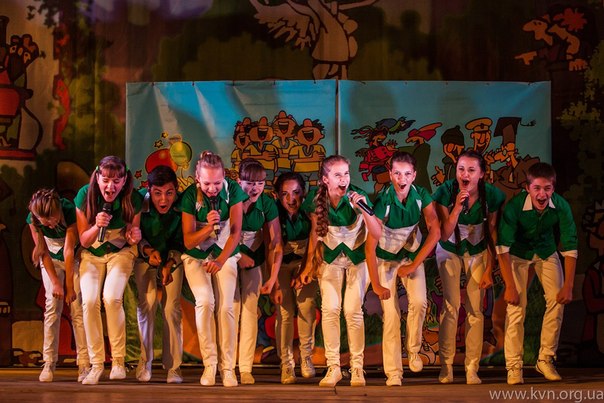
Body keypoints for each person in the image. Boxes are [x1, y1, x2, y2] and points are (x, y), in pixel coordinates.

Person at [299, 155, 382, 387]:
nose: (344, 179)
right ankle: (333, 367)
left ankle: (357, 368)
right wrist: (308, 266)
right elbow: (315, 234)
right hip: (331, 259)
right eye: (337, 175)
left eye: (346, 173)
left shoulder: (358, 197)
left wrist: (363, 209)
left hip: (357, 260)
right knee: (330, 309)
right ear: (326, 179)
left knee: (353, 310)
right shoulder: (316, 200)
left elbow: (376, 232)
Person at [497, 162, 577, 385]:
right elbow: (502, 248)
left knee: (557, 300)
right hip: (518, 253)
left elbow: (570, 246)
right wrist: (510, 286)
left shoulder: (560, 206)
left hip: (545, 251)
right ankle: (514, 366)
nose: (542, 194)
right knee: (516, 308)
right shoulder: (514, 207)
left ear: (553, 188)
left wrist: (568, 285)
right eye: (537, 188)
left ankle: (545, 359)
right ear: (527, 188)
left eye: (547, 189)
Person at [365, 151, 441, 386]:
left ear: (414, 175)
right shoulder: (384, 202)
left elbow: (435, 231)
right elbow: (370, 247)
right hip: (385, 259)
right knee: (391, 315)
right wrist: (376, 284)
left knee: (419, 302)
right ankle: (394, 372)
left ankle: (414, 350)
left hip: (410, 256)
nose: (402, 179)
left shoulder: (421, 196)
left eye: (407, 174)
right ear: (390, 174)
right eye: (397, 173)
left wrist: (413, 265)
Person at [432, 150, 505, 385]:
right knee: (451, 305)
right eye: (461, 169)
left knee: (475, 308)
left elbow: (492, 232)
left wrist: (489, 268)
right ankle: (446, 366)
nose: (465, 174)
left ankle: (472, 368)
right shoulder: (445, 191)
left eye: (471, 170)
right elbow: (444, 232)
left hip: (478, 249)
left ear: (481, 174)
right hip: (449, 247)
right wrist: (456, 206)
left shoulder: (491, 195)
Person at [180, 151, 247, 387]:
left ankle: (228, 368)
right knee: (205, 302)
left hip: (224, 252)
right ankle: (210, 365)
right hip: (197, 255)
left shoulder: (233, 191)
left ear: (224, 177)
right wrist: (209, 227)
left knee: (226, 306)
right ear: (197, 178)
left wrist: (220, 261)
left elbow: (236, 233)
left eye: (217, 183)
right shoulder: (190, 196)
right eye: (207, 183)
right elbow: (188, 241)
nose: (212, 189)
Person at [74, 156, 143, 385]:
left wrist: (134, 235)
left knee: (112, 298)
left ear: (124, 181)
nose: (110, 187)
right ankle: (96, 364)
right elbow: (84, 240)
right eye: (105, 180)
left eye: (116, 181)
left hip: (120, 252)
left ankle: (118, 361)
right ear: (97, 178)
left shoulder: (132, 198)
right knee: (89, 301)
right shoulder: (85, 195)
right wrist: (97, 225)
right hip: (92, 253)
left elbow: (133, 235)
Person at [27, 188, 89, 383]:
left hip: (73, 259)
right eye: (46, 222)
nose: (51, 224)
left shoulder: (69, 210)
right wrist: (55, 283)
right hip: (50, 261)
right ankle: (49, 362)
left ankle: (84, 363)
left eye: (53, 219)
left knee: (77, 308)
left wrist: (69, 287)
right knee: (52, 307)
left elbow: (69, 250)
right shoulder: (33, 220)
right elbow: (43, 252)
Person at [133, 165, 184, 384]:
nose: (163, 199)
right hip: (145, 257)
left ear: (176, 190)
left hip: (173, 258)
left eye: (169, 193)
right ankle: (145, 361)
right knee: (147, 304)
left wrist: (170, 263)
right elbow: (133, 235)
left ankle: (174, 367)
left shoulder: (182, 206)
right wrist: (147, 250)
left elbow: (183, 241)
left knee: (171, 308)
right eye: (157, 193)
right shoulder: (138, 203)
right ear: (149, 190)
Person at [235, 158, 282, 385]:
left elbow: (276, 243)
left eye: (260, 183)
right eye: (250, 183)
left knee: (250, 310)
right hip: (228, 257)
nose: (255, 188)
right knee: (230, 309)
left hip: (254, 259)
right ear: (239, 182)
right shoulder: (230, 199)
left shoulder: (267, 204)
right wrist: (236, 255)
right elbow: (220, 234)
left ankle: (245, 368)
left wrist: (273, 278)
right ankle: (225, 365)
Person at [270, 172, 318, 384]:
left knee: (306, 307)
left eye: (296, 193)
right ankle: (286, 363)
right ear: (277, 196)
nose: (291, 199)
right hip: (279, 265)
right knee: (285, 312)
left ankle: (306, 357)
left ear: (304, 193)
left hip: (305, 263)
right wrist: (273, 282)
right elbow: (272, 247)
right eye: (285, 194)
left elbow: (316, 243)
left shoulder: (310, 211)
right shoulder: (273, 213)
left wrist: (306, 271)